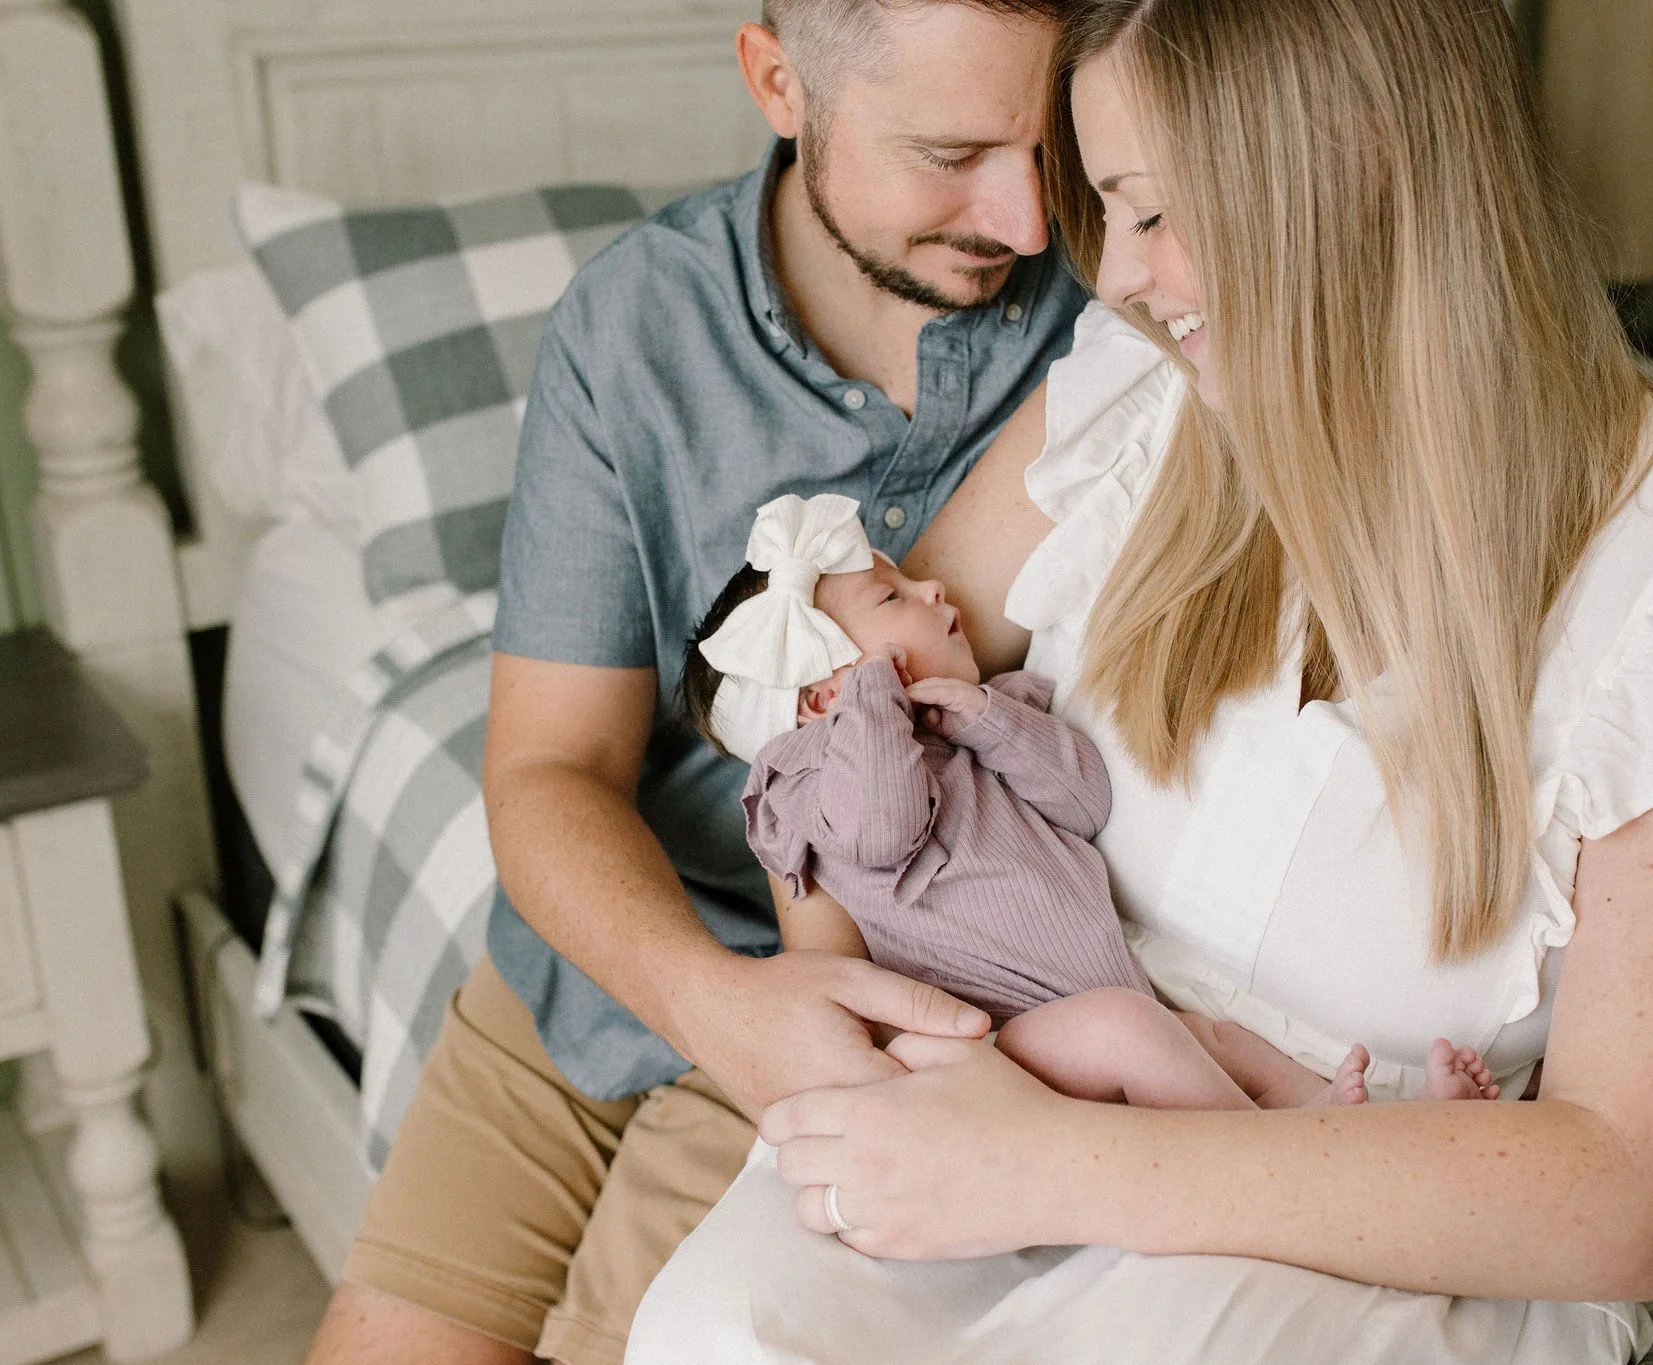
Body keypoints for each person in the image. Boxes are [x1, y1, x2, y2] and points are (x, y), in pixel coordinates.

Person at [624, 0, 1653, 1360]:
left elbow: (1625, 1200)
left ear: (1351, 169)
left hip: (1377, 1219)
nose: (1114, 274)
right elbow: (821, 688)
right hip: (1012, 1084)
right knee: (721, 1324)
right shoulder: (1142, 411)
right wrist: (865, 1020)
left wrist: (1050, 1162)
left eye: (1152, 210)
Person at [301, 4, 1091, 1364]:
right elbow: (549, 770)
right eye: (952, 152)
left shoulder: (1116, 294)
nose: (1025, 216)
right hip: (598, 959)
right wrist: (711, 1003)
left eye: (1050, 145)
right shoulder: (633, 326)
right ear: (779, 81)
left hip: (871, 977)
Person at [685, 492, 1496, 1110]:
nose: (932, 587)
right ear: (823, 695)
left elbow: (1084, 798)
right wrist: (872, 703)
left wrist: (990, 719)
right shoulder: (820, 785)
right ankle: (1293, 1155)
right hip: (1005, 1043)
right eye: (892, 598)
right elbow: (881, 831)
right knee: (1131, 1031)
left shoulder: (974, 719)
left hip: (1101, 991)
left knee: (1209, 1036)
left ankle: (1362, 1124)